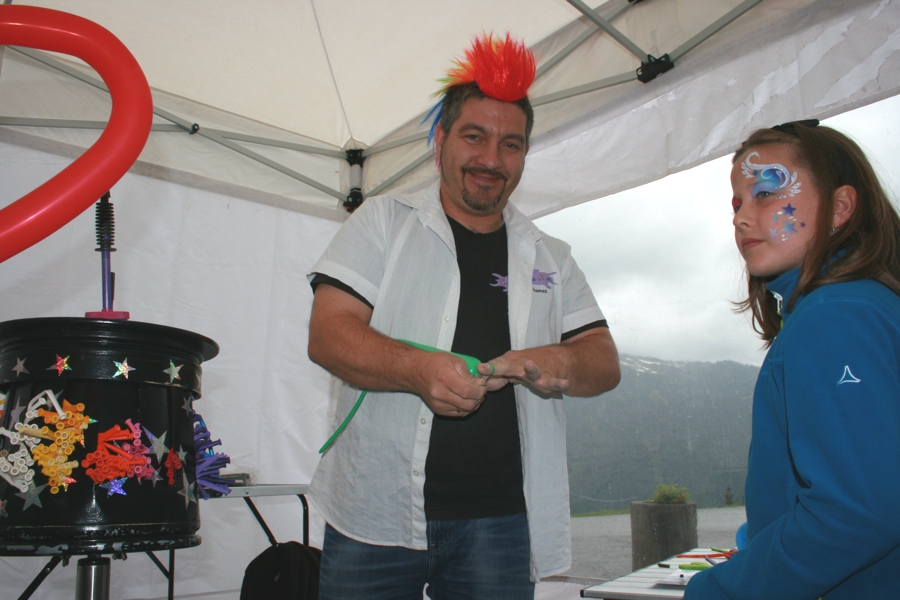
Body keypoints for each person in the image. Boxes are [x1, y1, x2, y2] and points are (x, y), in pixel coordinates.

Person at [306, 34, 620, 599]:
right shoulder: (382, 221)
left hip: (502, 524)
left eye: (510, 145)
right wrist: (418, 370)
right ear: (441, 141)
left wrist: (553, 361)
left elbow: (604, 362)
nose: (491, 160)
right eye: (474, 137)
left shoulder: (551, 256)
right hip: (373, 512)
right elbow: (328, 334)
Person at [685, 121, 900, 599]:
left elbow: (858, 510)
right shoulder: (860, 306)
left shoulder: (836, 316)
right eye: (737, 204)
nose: (741, 218)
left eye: (765, 194)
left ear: (840, 207)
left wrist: (719, 592)